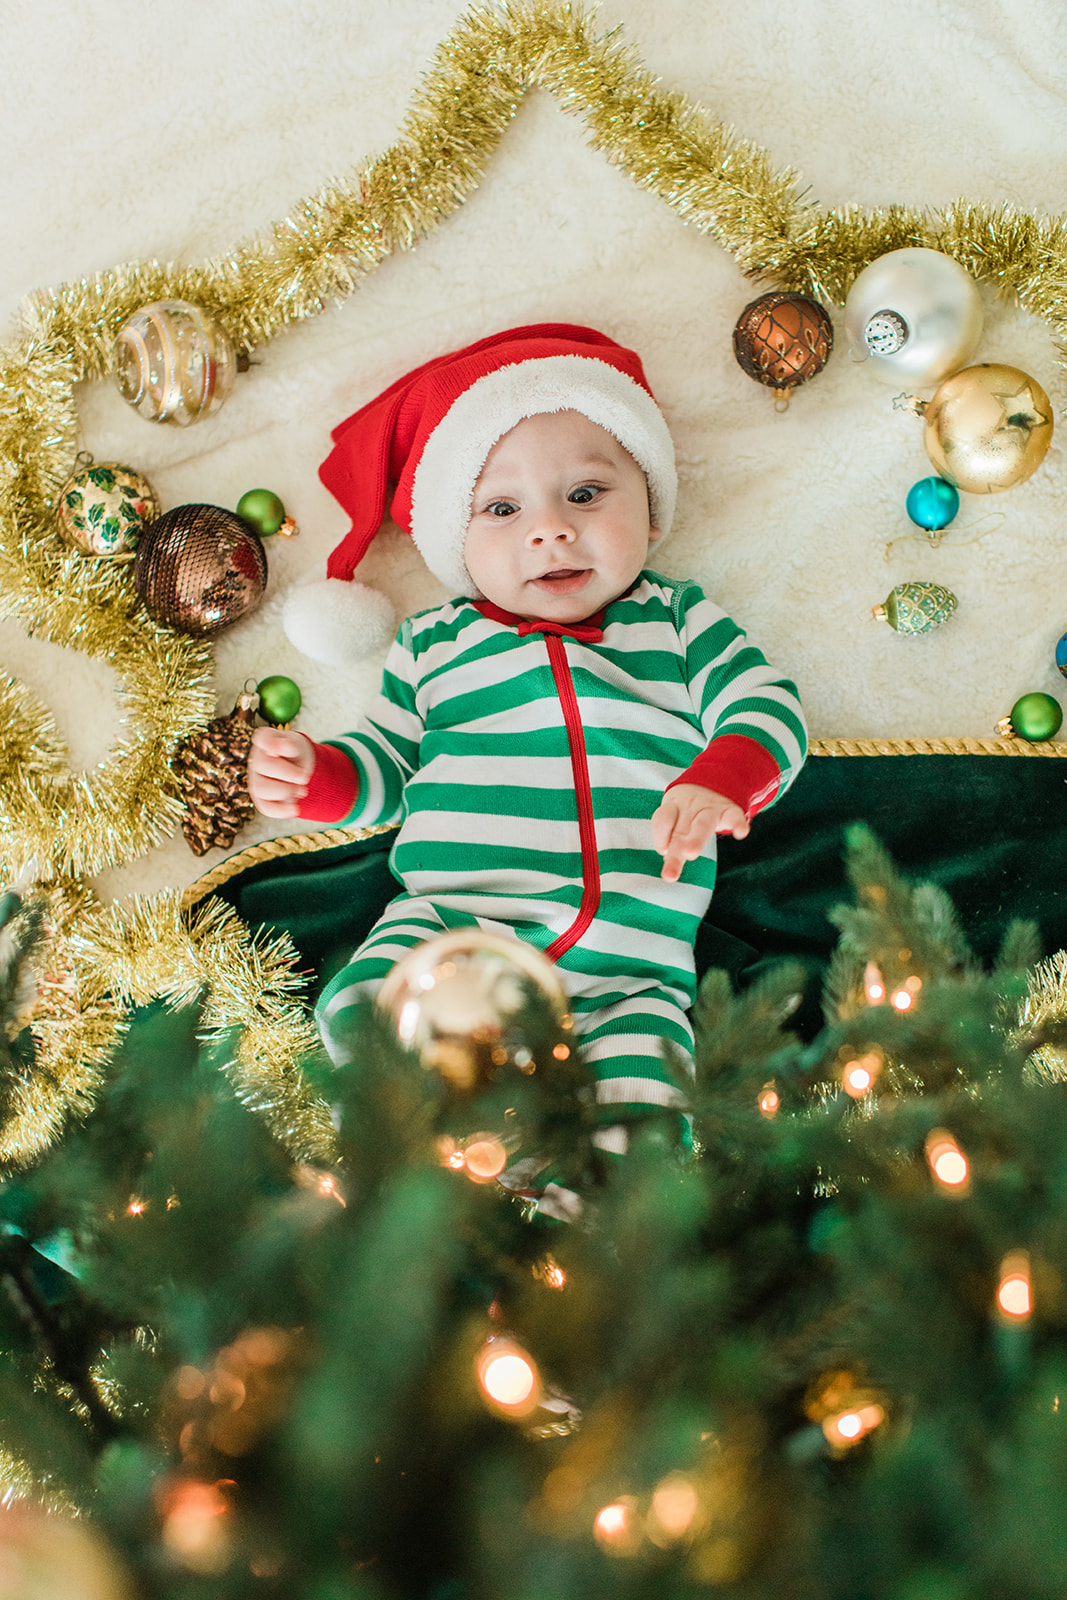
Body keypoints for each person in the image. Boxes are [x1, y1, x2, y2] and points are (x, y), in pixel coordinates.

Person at [249, 324, 807, 1154]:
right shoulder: (434, 644)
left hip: (634, 967)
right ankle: (417, 1159)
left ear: (650, 512)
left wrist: (721, 776)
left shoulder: (677, 620)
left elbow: (767, 707)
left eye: (586, 494)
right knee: (371, 1003)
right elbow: (387, 764)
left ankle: (583, 1225)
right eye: (502, 509)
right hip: (457, 925)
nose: (549, 530)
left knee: (647, 1120)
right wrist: (318, 778)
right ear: (457, 547)